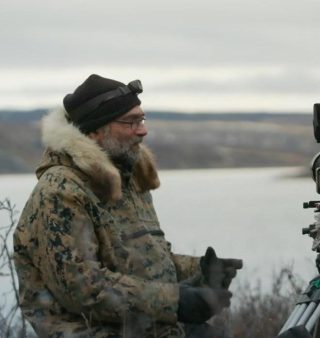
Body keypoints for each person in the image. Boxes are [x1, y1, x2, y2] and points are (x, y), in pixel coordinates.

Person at [13, 74, 243, 337]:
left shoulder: (127, 180)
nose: (142, 130)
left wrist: (200, 270)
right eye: (130, 122)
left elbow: (147, 263)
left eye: (141, 119)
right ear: (95, 131)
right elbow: (82, 288)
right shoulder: (59, 191)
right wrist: (177, 301)